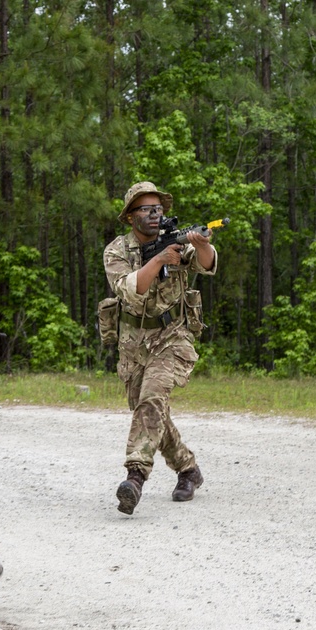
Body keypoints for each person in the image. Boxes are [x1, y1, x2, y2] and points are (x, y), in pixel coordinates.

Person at [103, 181, 217, 515]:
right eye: (147, 210)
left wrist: (201, 244)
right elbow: (131, 288)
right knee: (149, 411)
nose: (155, 215)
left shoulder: (177, 241)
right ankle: (188, 470)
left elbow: (207, 264)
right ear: (130, 217)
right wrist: (161, 259)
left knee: (152, 398)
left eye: (158, 209)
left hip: (173, 337)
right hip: (133, 344)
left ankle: (135, 476)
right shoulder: (117, 251)